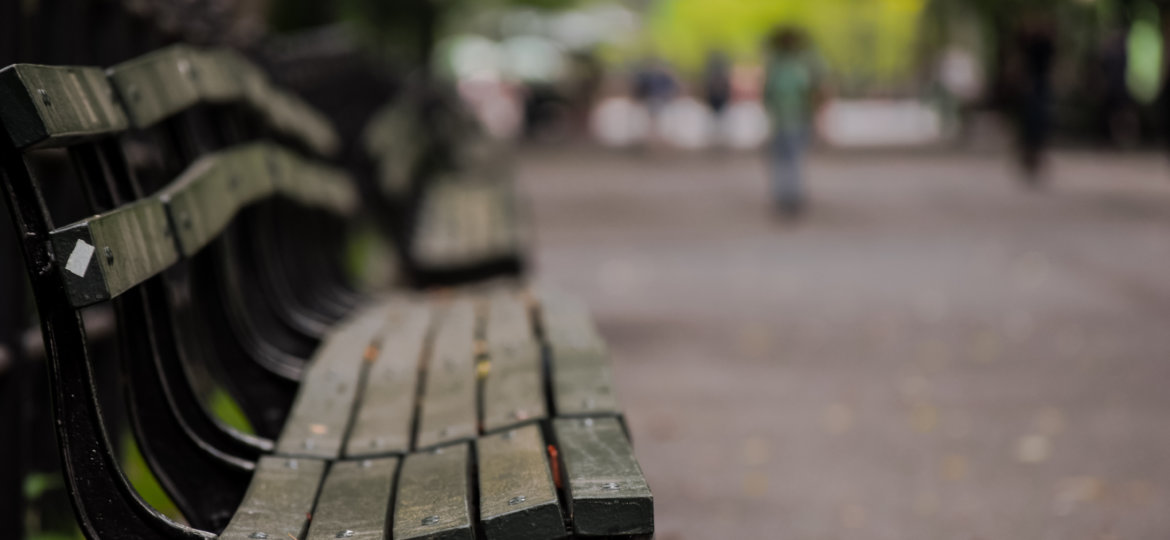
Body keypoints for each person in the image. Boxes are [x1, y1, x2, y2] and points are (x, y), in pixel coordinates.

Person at [762, 27, 823, 216]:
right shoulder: (794, 65)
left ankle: (789, 198)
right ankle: (789, 197)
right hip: (790, 120)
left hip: (791, 120)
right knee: (789, 160)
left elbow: (768, 95)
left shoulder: (788, 66)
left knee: (788, 160)